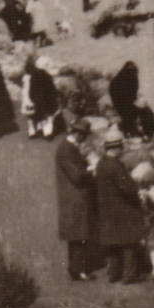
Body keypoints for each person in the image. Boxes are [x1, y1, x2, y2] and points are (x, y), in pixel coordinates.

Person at [95, 129, 147, 283]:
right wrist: (137, 188)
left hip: (107, 208)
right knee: (128, 242)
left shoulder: (102, 163)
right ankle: (129, 274)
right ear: (117, 147)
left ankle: (113, 273)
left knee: (113, 243)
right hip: (122, 208)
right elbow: (127, 187)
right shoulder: (115, 166)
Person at [56, 118, 99, 281]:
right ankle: (79, 271)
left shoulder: (68, 147)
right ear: (78, 134)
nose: (85, 139)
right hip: (75, 198)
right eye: (84, 135)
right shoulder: (66, 150)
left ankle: (77, 268)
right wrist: (91, 170)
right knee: (78, 236)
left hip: (74, 198)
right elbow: (77, 176)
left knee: (78, 235)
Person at [21, 57, 61, 139]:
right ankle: (47, 132)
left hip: (34, 100)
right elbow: (51, 88)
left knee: (33, 117)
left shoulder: (29, 77)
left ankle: (33, 131)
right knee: (46, 117)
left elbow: (29, 91)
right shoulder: (45, 76)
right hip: (45, 99)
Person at [108, 61, 141, 131]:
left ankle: (130, 128)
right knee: (128, 116)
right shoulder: (120, 80)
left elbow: (134, 91)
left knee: (128, 116)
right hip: (122, 101)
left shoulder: (131, 77)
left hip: (124, 101)